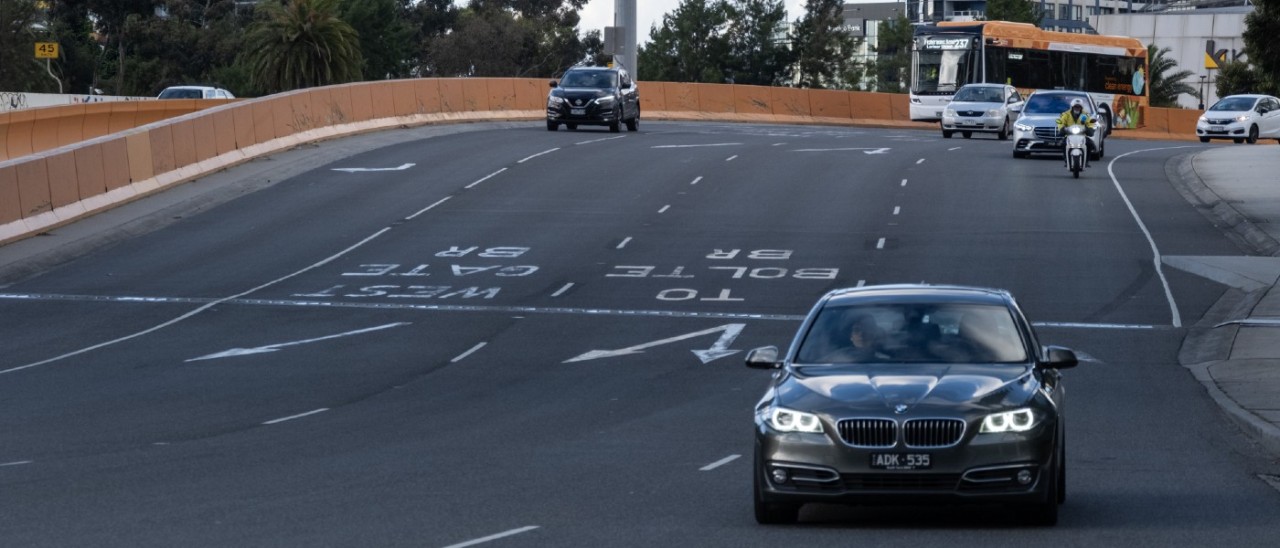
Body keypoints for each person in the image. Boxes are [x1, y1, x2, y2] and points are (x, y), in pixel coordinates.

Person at [1056, 98, 1097, 165]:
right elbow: (1061, 122)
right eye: (1075, 106)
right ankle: (1066, 159)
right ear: (1072, 107)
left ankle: (1086, 161)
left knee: (1089, 144)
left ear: (1081, 108)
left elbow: (1090, 123)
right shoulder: (1066, 114)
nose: (1077, 108)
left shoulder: (1085, 115)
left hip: (1082, 135)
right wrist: (1062, 129)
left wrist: (1090, 129)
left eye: (1079, 107)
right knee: (1063, 143)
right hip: (1069, 135)